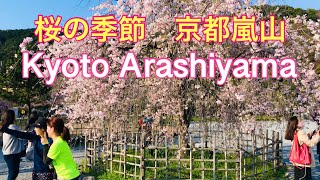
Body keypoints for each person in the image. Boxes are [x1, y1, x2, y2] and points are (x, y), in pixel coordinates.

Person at [1, 110, 26, 180]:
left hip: (7, 153)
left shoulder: (6, 127)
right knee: (13, 173)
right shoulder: (12, 127)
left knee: (12, 172)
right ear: (12, 117)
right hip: (12, 154)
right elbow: (21, 135)